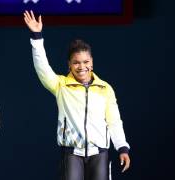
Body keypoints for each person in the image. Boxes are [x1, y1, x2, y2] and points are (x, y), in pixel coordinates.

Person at [23, 10, 130, 180]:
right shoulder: (61, 85)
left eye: (86, 62)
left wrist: (122, 147)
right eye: (76, 62)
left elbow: (114, 121)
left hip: (100, 153)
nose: (82, 67)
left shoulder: (105, 88)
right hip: (72, 153)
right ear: (69, 65)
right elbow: (42, 67)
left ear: (92, 62)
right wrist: (37, 37)